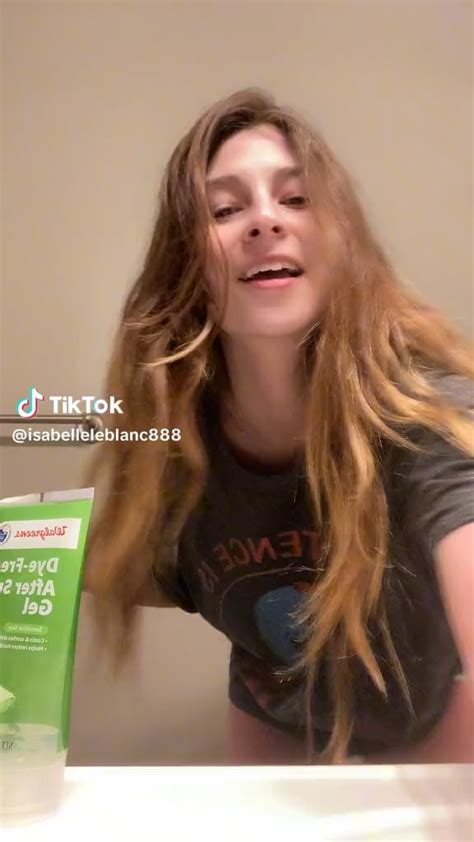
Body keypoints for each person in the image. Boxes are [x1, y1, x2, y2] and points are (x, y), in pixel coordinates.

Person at [83, 87, 474, 767]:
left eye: (296, 198)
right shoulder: (173, 446)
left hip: (434, 725)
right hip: (273, 727)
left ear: (343, 241)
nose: (265, 220)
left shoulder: (425, 416)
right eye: (224, 209)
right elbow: (115, 562)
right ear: (186, 266)